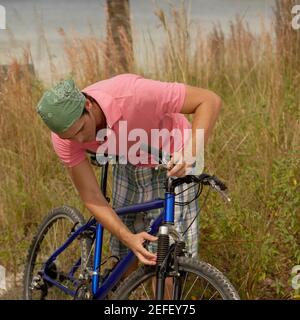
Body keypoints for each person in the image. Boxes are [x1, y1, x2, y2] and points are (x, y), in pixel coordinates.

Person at [36, 73, 222, 273]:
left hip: (175, 155)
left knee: (167, 260)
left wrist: (190, 153)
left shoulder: (135, 94)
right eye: (70, 137)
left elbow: (209, 100)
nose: (80, 140)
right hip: (129, 158)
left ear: (88, 105)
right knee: (124, 255)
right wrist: (129, 238)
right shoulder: (63, 138)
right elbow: (91, 195)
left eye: (81, 129)